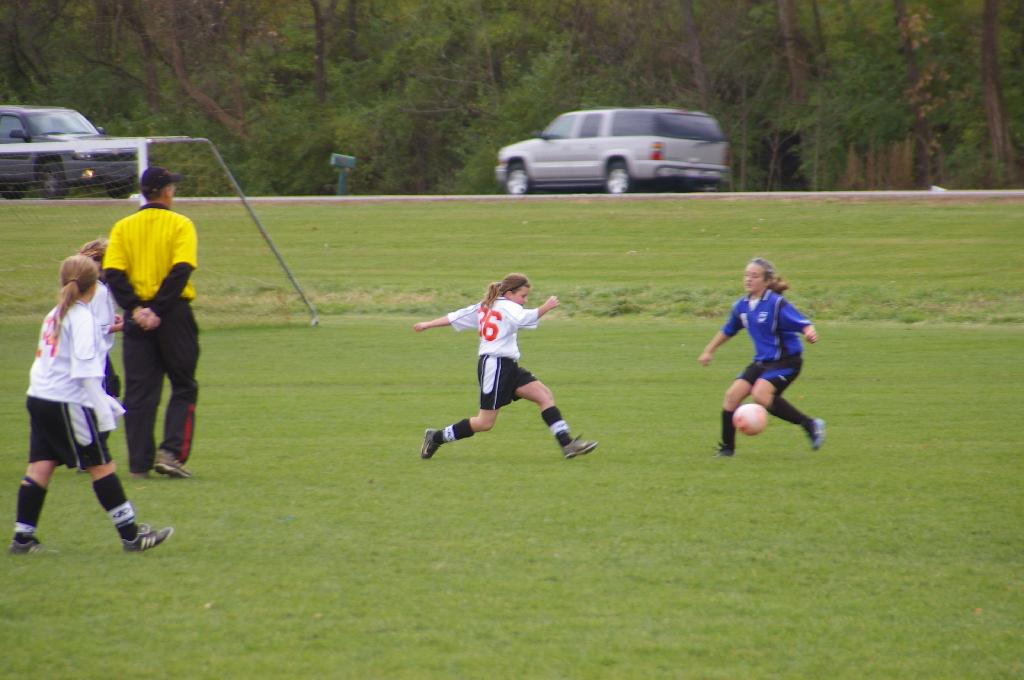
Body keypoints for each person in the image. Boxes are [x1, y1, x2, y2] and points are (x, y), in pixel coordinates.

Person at [10, 255, 173, 554]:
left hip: (39, 396)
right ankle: (132, 536)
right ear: (95, 286)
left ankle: (22, 539)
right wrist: (104, 411)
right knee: (101, 465)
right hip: (65, 402)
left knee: (40, 466)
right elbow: (85, 372)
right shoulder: (81, 317)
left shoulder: (55, 313)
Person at [413, 273, 598, 460]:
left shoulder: (486, 305)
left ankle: (567, 444)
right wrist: (545, 307)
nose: (525, 300)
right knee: (484, 423)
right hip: (494, 367)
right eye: (523, 296)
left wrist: (428, 324)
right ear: (509, 294)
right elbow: (523, 319)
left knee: (544, 396)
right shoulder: (509, 306)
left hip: (508, 366)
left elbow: (456, 317)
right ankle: (436, 437)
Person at [103, 166, 199, 479]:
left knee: (140, 392)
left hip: (136, 317)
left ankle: (139, 464)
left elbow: (113, 273)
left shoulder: (123, 227)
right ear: (167, 192)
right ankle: (171, 453)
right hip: (173, 314)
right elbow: (181, 270)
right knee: (183, 384)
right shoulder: (181, 224)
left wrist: (136, 308)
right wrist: (157, 309)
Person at [698, 257, 825, 457]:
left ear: (766, 281)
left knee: (760, 395)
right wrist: (709, 350)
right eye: (746, 275)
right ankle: (727, 449)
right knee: (732, 396)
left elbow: (803, 323)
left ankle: (810, 424)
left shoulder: (776, 304)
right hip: (763, 362)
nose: (748, 279)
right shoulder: (742, 306)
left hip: (787, 361)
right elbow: (729, 330)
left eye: (754, 276)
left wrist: (809, 332)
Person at [78, 238, 123, 402]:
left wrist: (112, 318)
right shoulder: (99, 289)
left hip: (85, 351)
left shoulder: (84, 285)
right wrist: (123, 326)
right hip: (95, 352)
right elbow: (99, 328)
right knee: (106, 395)